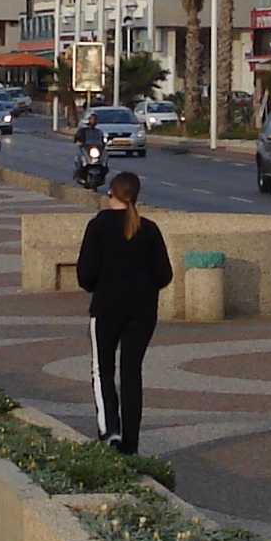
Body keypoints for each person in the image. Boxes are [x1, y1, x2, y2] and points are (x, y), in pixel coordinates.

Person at [74, 169, 173, 455]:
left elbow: (86, 276)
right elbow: (164, 274)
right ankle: (131, 442)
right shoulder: (150, 228)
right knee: (132, 372)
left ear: (111, 195)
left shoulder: (98, 227)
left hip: (107, 308)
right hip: (143, 311)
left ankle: (110, 432)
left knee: (102, 368)